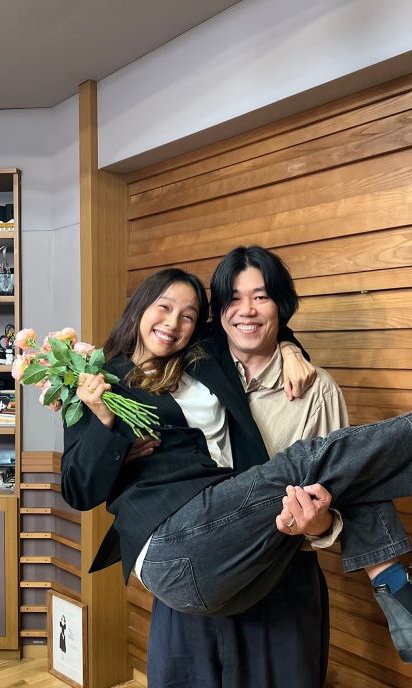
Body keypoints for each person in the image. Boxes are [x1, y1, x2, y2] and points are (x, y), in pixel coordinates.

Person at [61, 267, 412, 667]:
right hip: (171, 544)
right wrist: (104, 423)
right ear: (140, 307)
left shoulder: (200, 357)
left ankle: (407, 605)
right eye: (163, 307)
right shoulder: (98, 382)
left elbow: (255, 327)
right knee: (306, 460)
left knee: (344, 473)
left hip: (226, 542)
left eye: (189, 315)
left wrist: (290, 349)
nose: (173, 323)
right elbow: (79, 490)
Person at [147, 247, 348, 688]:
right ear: (218, 312)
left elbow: (340, 507)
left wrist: (318, 524)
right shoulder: (185, 372)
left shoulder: (318, 393)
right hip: (194, 573)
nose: (247, 311)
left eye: (261, 297)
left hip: (280, 584)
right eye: (234, 299)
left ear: (281, 305)